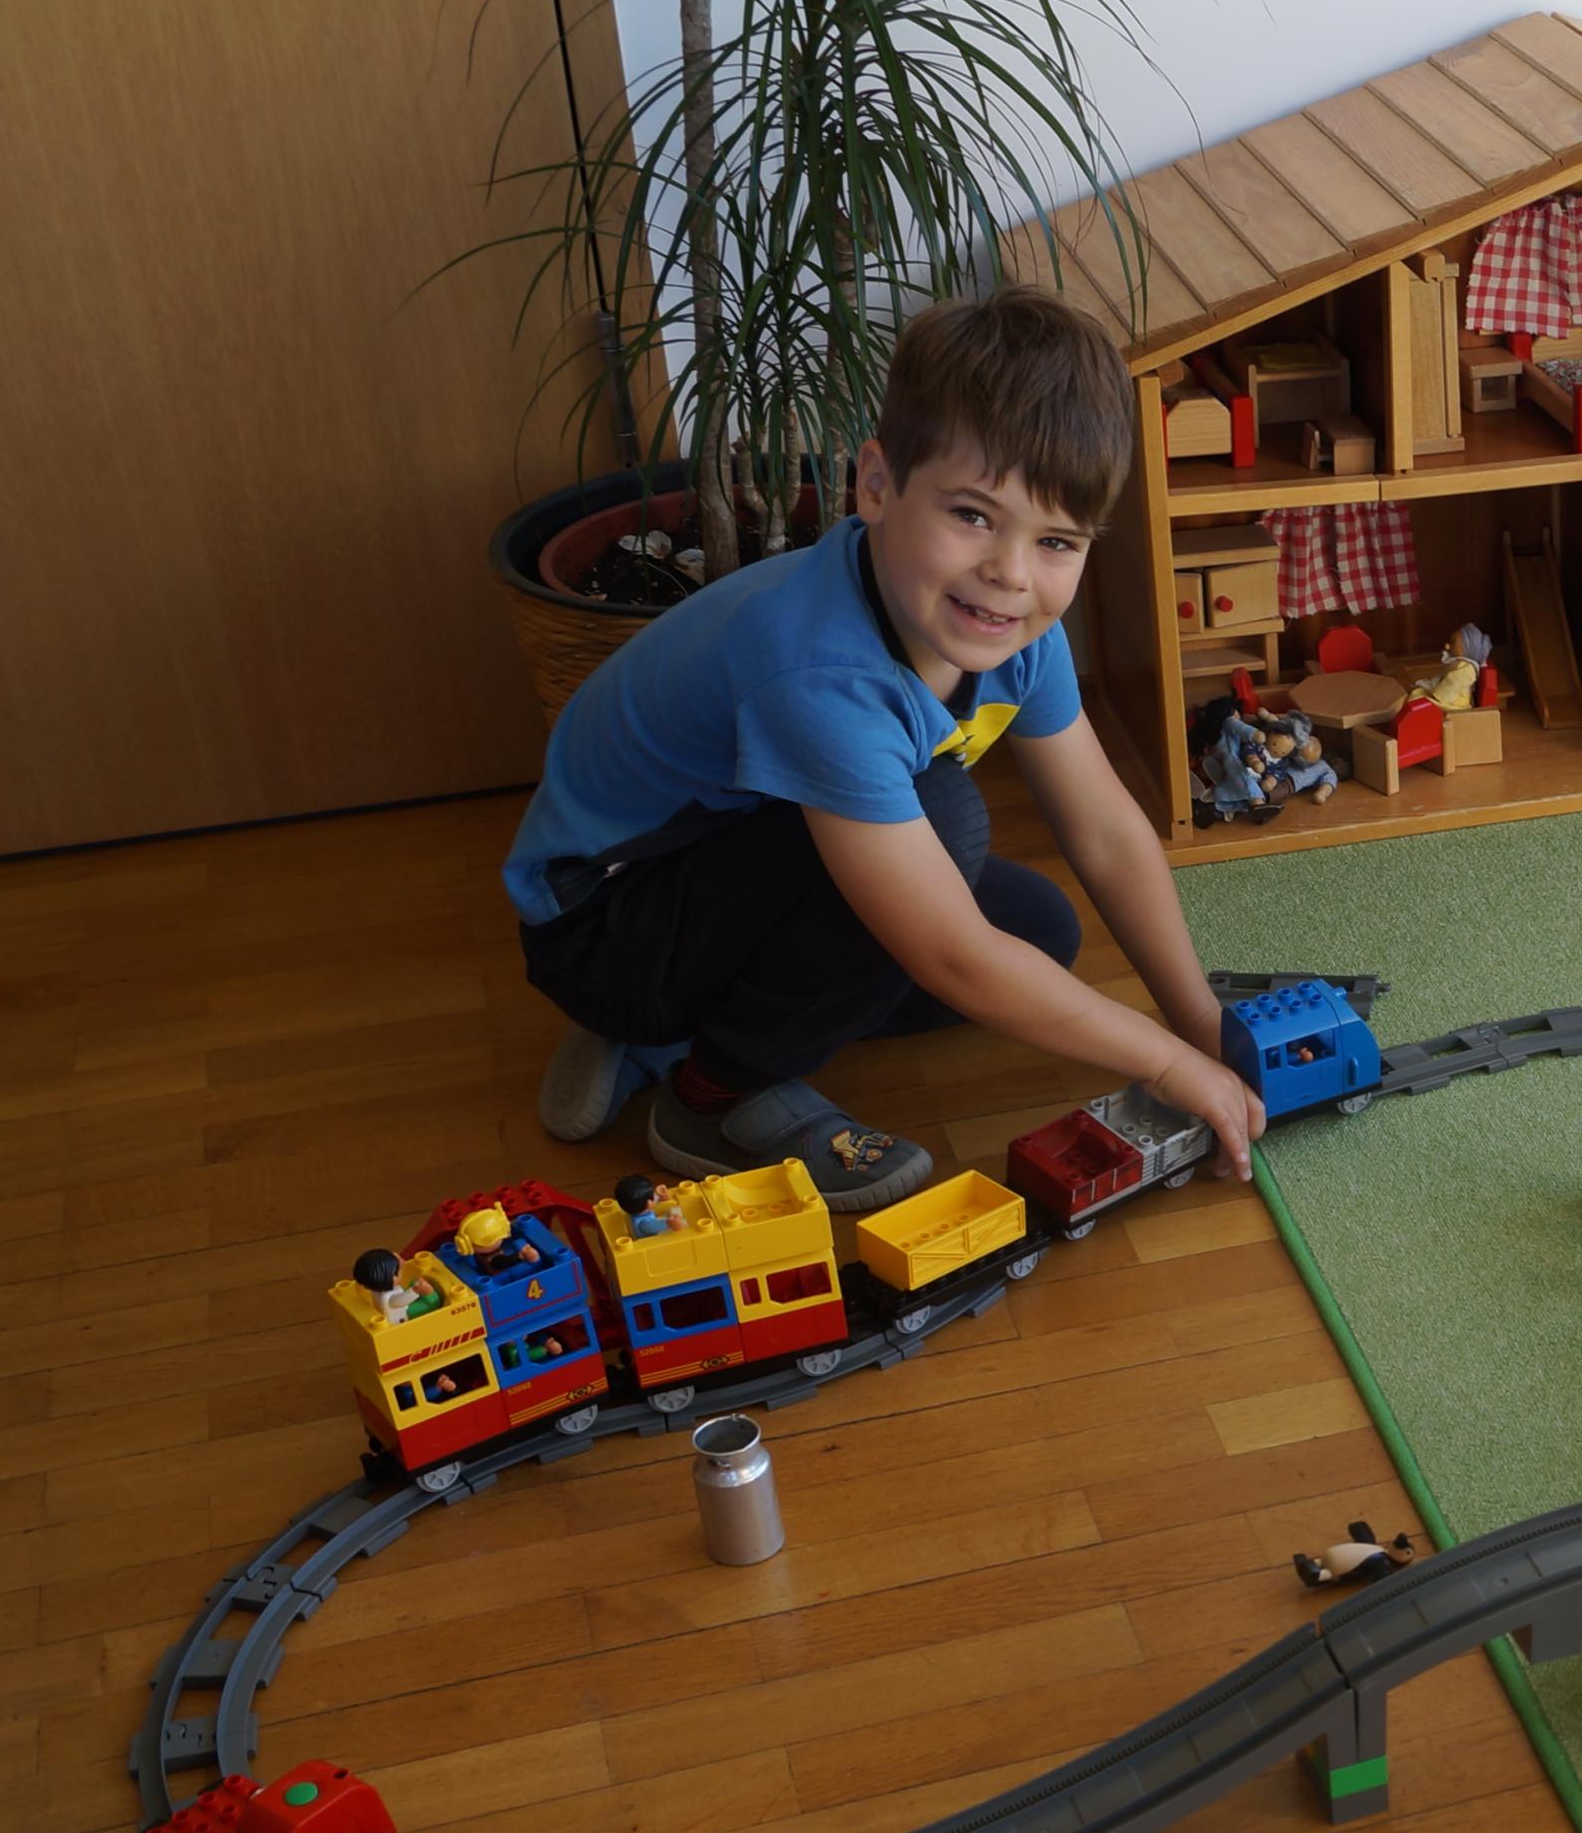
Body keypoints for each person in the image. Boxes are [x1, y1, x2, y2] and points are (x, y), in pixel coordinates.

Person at [504, 285, 1268, 1213]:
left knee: (1038, 931)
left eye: (1057, 540)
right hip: (600, 922)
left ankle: (678, 1032)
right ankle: (708, 1096)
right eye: (973, 515)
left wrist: (1198, 1022)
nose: (1010, 573)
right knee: (945, 833)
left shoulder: (1012, 630)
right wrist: (1168, 1065)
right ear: (875, 485)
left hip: (720, 871)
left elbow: (1105, 833)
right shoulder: (817, 671)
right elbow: (951, 957)